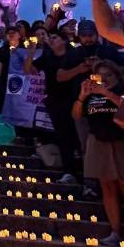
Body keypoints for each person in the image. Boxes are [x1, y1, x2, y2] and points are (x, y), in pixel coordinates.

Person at [73, 60, 124, 247]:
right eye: (99, 76)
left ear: (117, 75)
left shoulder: (123, 89)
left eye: (108, 75)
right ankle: (115, 232)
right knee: (107, 188)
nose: (103, 79)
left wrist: (106, 93)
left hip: (121, 141)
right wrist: (82, 96)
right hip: (99, 141)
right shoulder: (91, 94)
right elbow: (76, 115)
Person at [24, 32, 85, 186]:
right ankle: (69, 171)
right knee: (63, 137)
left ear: (64, 40)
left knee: (79, 138)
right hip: (56, 101)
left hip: (75, 100)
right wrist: (30, 54)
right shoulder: (48, 57)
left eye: (55, 37)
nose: (51, 40)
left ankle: (87, 175)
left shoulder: (75, 55)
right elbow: (29, 70)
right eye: (49, 38)